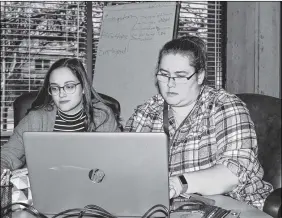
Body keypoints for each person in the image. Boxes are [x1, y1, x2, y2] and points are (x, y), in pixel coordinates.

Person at [125, 35, 273, 210]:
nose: (170, 84)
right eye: (164, 75)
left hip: (236, 206)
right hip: (172, 209)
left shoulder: (225, 106)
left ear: (200, 76)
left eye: (180, 76)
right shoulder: (146, 113)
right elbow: (127, 169)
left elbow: (233, 174)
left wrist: (179, 183)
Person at [1, 58, 121, 172]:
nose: (61, 94)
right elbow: (7, 155)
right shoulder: (36, 119)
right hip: (46, 188)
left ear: (84, 87)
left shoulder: (102, 116)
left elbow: (117, 159)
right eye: (55, 88)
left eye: (69, 86)